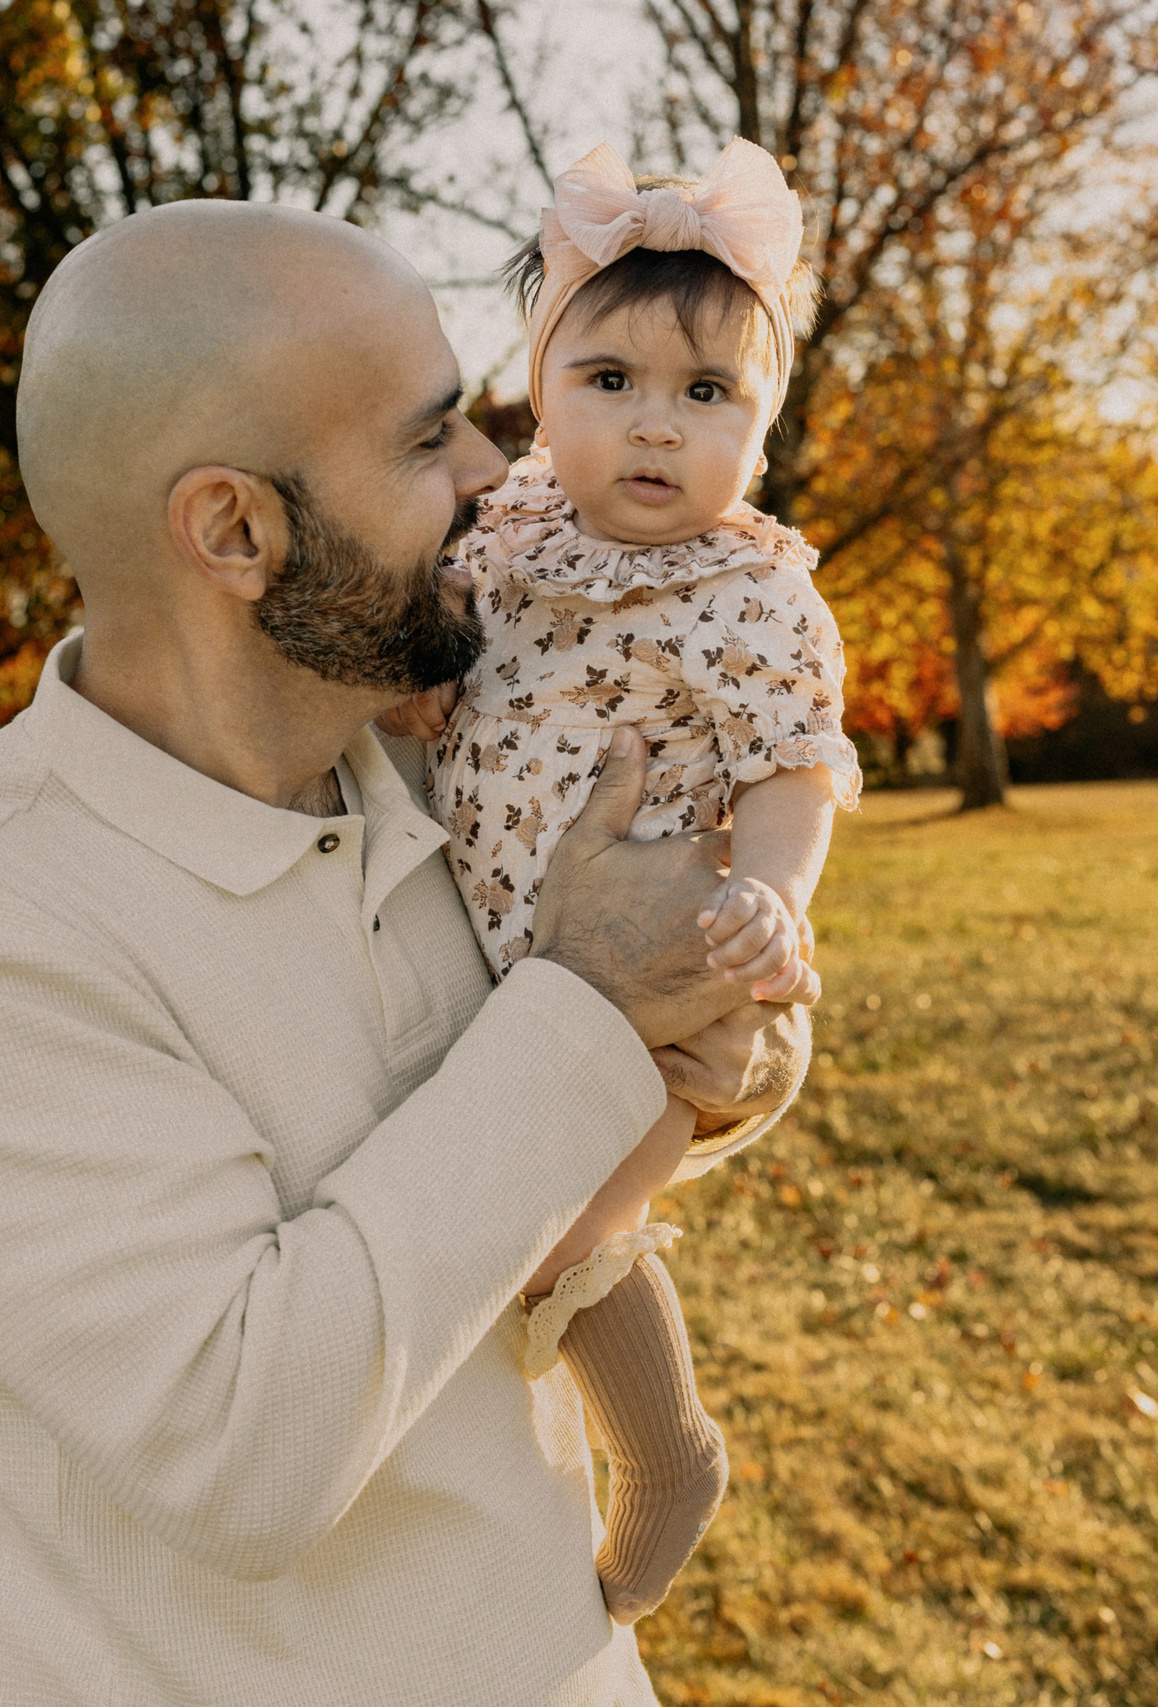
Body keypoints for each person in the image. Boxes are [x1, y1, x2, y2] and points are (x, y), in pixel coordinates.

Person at [0, 198, 812, 1706]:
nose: (494, 472)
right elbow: (238, 1453)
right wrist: (592, 1007)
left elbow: (669, 1071)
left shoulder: (450, 770)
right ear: (237, 531)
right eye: (425, 441)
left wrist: (728, 1024)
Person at [379, 138, 858, 1626]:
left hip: (681, 987)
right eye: (610, 381)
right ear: (541, 396)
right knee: (517, 1198)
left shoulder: (754, 593)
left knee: (563, 1222)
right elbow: (450, 672)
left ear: (760, 435)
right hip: (533, 973)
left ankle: (668, 1460)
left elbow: (794, 769)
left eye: (708, 395)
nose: (656, 425)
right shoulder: (508, 542)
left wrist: (773, 895)